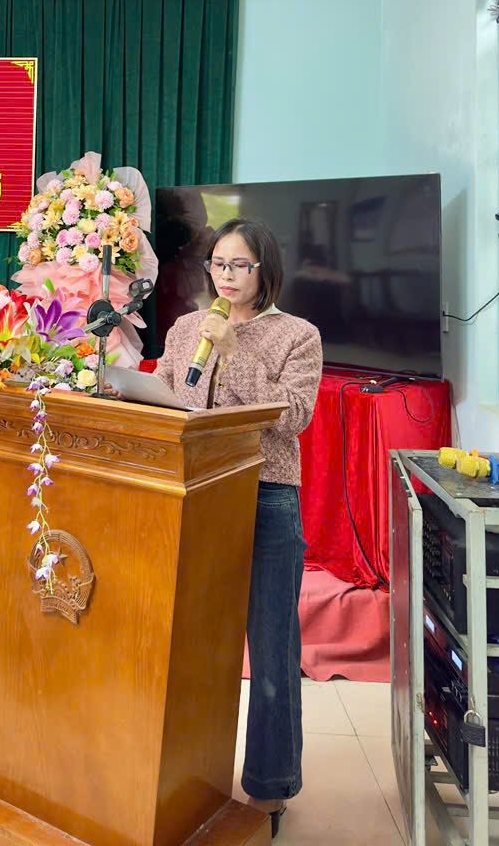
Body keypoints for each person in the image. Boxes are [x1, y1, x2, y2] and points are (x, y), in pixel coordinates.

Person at [153, 217, 322, 838]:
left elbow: (293, 416)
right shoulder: (185, 328)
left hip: (263, 496)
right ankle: (184, 774)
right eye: (217, 264)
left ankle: (271, 788)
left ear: (264, 269)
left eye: (238, 266)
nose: (224, 276)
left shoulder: (297, 335)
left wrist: (233, 349)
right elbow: (165, 395)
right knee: (187, 640)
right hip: (192, 490)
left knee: (272, 645)